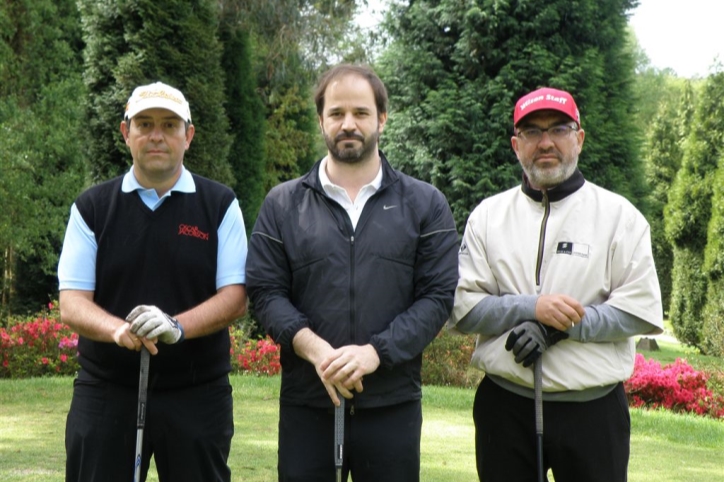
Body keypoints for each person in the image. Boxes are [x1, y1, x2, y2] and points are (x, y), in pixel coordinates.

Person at [245, 64, 459, 482]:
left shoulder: (426, 203)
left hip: (391, 405)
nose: (348, 124)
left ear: (381, 118)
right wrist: (316, 351)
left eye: (360, 113)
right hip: (308, 403)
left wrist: (373, 353)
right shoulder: (282, 204)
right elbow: (265, 291)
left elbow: (436, 298)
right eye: (336, 113)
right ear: (321, 120)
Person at [448, 87, 664, 482]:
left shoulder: (620, 217)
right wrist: (531, 308)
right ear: (516, 145)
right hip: (504, 407)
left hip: (593, 411)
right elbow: (465, 310)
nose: (545, 142)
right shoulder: (487, 217)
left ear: (579, 138)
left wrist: (556, 328)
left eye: (559, 129)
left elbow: (638, 311)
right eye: (531, 132)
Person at [57, 81, 248, 482]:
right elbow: (72, 302)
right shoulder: (92, 207)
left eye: (169, 125)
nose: (156, 135)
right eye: (144, 124)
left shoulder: (220, 205)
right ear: (126, 133)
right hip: (106, 390)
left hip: (198, 391)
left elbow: (235, 297)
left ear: (188, 136)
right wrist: (118, 330)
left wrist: (176, 327)